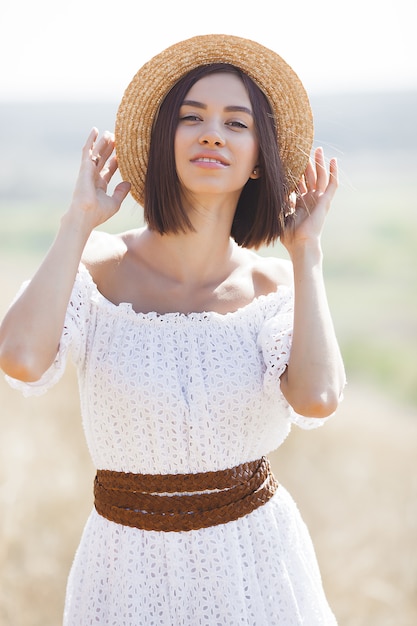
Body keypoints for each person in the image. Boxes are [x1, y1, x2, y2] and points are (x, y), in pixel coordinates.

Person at [0, 34, 346, 625]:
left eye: (237, 123)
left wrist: (306, 255)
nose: (213, 132)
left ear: (260, 157)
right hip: (124, 569)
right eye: (192, 118)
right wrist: (78, 221)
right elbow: (21, 359)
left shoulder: (271, 290)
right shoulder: (97, 268)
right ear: (165, 142)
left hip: (255, 567)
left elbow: (316, 400)